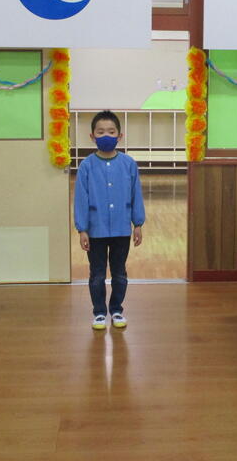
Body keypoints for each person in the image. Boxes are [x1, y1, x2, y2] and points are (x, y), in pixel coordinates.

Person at [74, 110, 145, 330]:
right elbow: (81, 199)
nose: (106, 135)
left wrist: (138, 223)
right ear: (92, 136)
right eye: (101, 132)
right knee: (96, 274)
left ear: (119, 136)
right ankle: (98, 312)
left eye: (111, 132)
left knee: (119, 273)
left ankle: (116, 310)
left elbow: (136, 194)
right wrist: (82, 229)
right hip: (95, 230)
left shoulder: (128, 164)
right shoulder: (86, 165)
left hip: (122, 230)